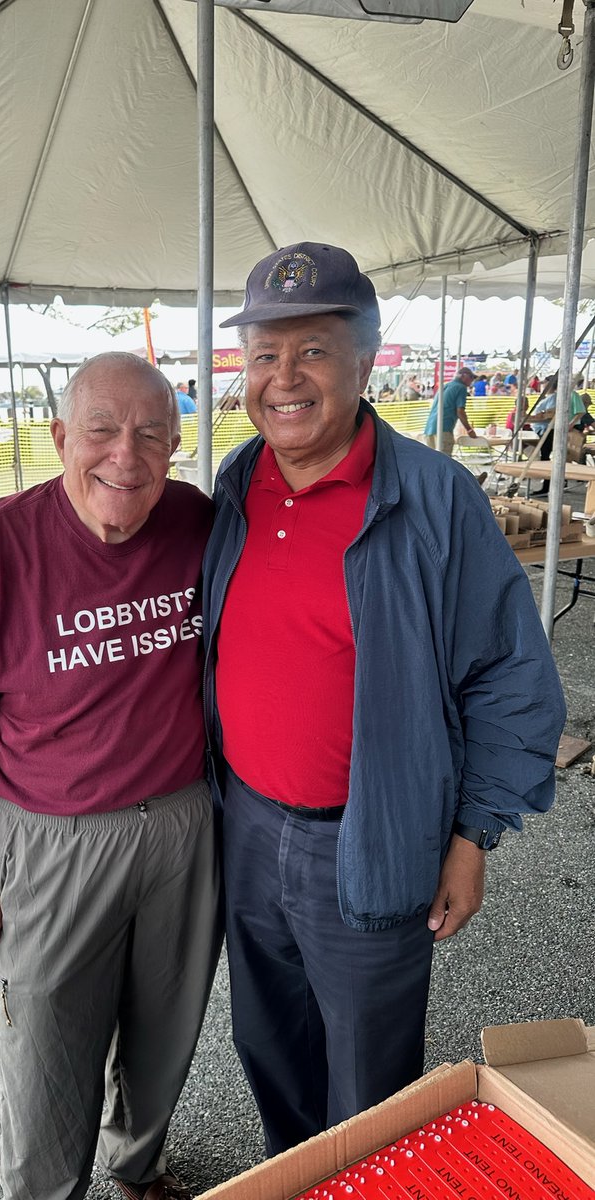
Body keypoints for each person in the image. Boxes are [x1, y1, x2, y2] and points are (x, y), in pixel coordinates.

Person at [201, 240, 565, 1159]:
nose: (283, 377)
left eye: (313, 350)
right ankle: (297, 1174)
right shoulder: (239, 483)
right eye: (264, 354)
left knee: (369, 1076)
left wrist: (474, 835)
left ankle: (363, 1180)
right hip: (243, 822)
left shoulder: (436, 499)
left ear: (366, 361)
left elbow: (511, 677)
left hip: (367, 838)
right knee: (269, 1042)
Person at [0, 351, 220, 1200]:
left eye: (150, 435)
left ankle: (137, 1167)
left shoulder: (199, 522)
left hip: (182, 823)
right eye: (101, 431)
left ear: (174, 445)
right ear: (60, 438)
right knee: (44, 1052)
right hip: (50, 835)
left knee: (167, 1029)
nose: (124, 456)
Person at [423, 366, 476, 454]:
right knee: (445, 461)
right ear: (464, 376)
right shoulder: (461, 387)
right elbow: (460, 411)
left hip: (430, 427)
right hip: (444, 428)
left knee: (431, 461)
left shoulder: (446, 385)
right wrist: (469, 429)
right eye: (471, 377)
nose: (472, 380)